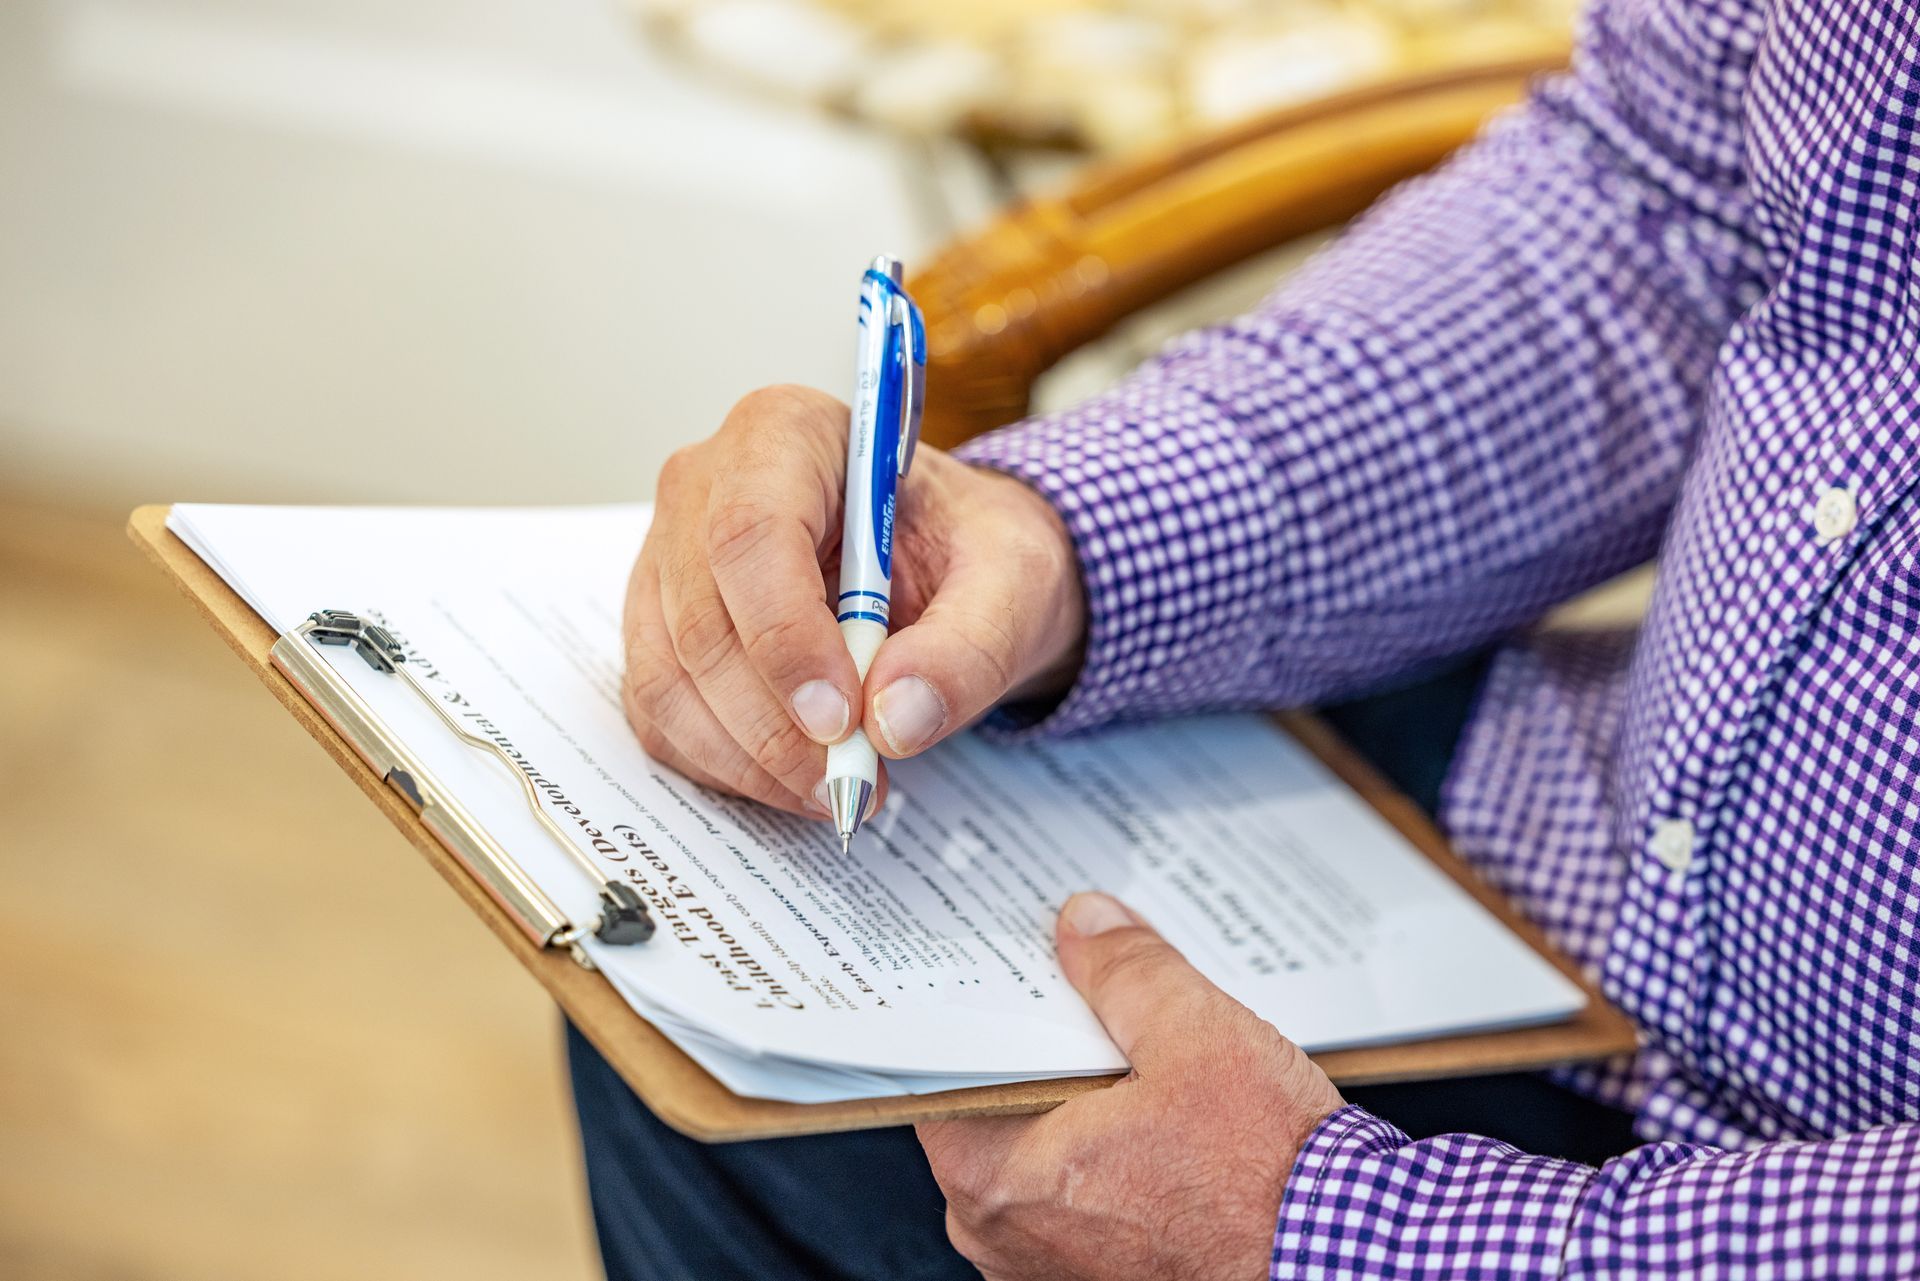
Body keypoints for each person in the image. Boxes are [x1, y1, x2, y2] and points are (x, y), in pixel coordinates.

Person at [577, 0, 1920, 1275]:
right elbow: (1661, 210)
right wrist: (1058, 544)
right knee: (705, 1005)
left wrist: (1348, 1237)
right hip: (1611, 850)